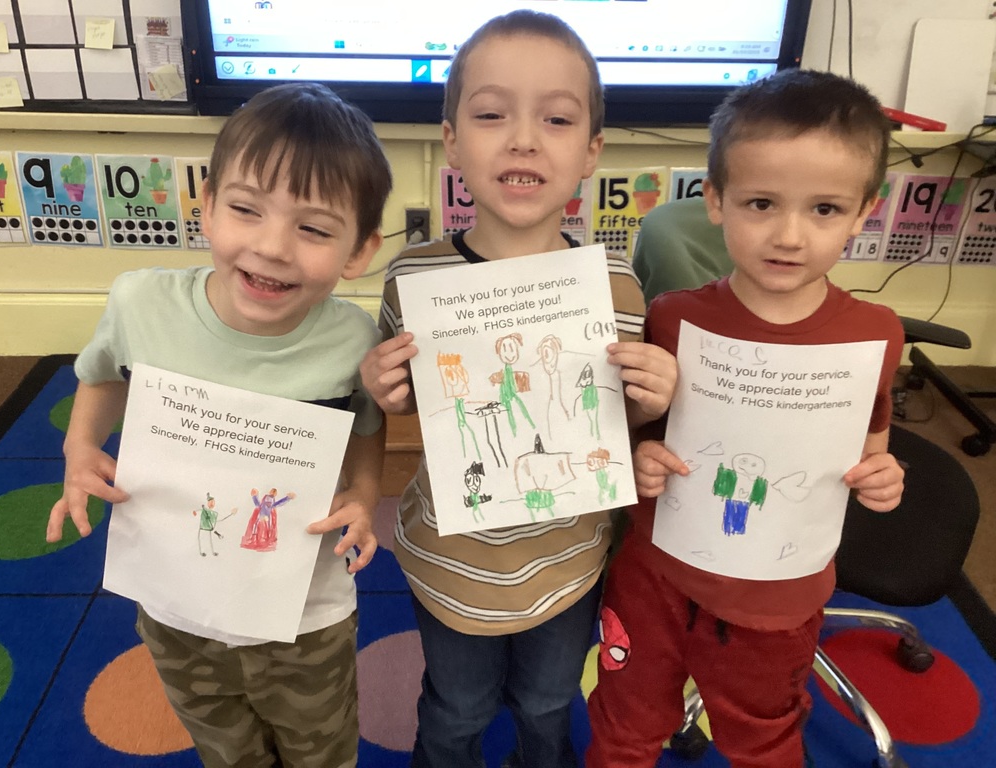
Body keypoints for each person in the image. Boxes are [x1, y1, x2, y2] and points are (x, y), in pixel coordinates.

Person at [359, 10, 677, 768]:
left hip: (568, 561)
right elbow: (396, 404)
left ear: (591, 150)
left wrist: (653, 400)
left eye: (557, 118)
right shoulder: (414, 278)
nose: (524, 138)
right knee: (456, 709)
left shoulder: (618, 287)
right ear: (452, 139)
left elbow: (620, 426)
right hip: (454, 564)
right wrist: (381, 387)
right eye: (492, 114)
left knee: (547, 703)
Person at [44, 82, 392, 768]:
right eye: (244, 210)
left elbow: (365, 421)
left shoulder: (353, 340)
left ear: (359, 251)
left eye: (314, 228)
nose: (271, 247)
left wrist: (363, 492)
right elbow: (105, 371)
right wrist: (79, 445)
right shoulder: (141, 302)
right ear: (205, 207)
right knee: (225, 747)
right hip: (176, 604)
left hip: (305, 612)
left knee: (321, 749)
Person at [585, 69, 907, 768]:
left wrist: (884, 477)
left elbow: (870, 452)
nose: (789, 235)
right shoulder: (671, 317)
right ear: (716, 201)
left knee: (762, 737)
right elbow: (639, 435)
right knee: (624, 726)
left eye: (825, 209)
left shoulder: (875, 335)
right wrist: (639, 459)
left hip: (776, 597)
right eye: (761, 202)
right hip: (657, 579)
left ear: (863, 212)